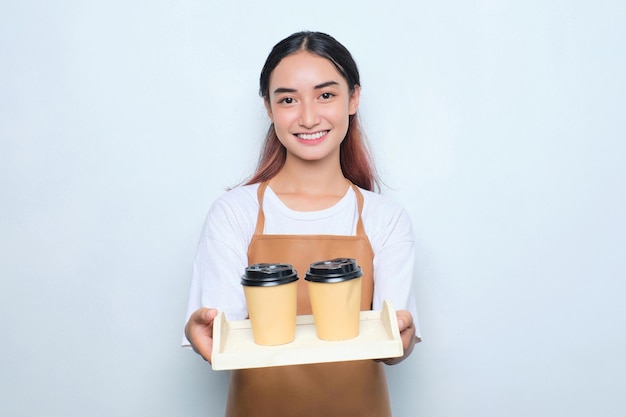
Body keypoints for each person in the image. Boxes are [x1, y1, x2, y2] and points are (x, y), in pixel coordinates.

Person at [183, 31, 421, 417]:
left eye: (325, 95)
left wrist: (402, 339)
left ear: (353, 98)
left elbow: (395, 342)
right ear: (268, 108)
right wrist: (205, 335)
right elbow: (222, 337)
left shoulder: (385, 218)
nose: (308, 117)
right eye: (289, 99)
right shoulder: (234, 212)